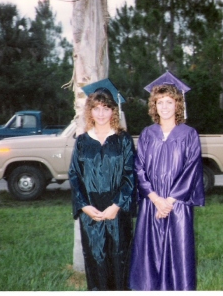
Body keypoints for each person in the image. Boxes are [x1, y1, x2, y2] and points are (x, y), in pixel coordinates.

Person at [129, 75, 205, 291]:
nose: (164, 107)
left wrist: (168, 201)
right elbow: (139, 168)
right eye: (159, 102)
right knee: (149, 252)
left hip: (177, 204)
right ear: (154, 105)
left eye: (169, 102)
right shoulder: (147, 134)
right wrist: (154, 198)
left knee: (178, 251)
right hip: (151, 203)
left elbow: (192, 170)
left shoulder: (189, 134)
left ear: (177, 104)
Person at [68, 79, 135, 291]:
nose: (101, 113)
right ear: (90, 110)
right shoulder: (82, 141)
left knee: (120, 260)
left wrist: (116, 206)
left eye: (106, 108)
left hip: (117, 212)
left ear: (113, 110)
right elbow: (74, 176)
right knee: (96, 261)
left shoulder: (123, 140)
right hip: (92, 213)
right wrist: (84, 206)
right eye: (96, 108)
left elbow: (130, 174)